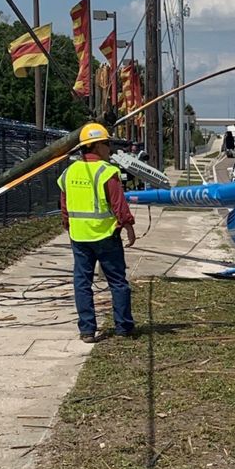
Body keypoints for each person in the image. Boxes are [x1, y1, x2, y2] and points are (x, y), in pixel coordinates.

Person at [59, 123, 137, 342]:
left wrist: (67, 223)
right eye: (106, 143)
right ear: (95, 146)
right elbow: (119, 205)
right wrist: (128, 226)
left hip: (79, 237)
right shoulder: (106, 172)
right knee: (117, 282)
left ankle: (87, 330)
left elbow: (64, 202)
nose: (109, 148)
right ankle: (123, 327)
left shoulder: (69, 171)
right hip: (105, 237)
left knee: (82, 282)